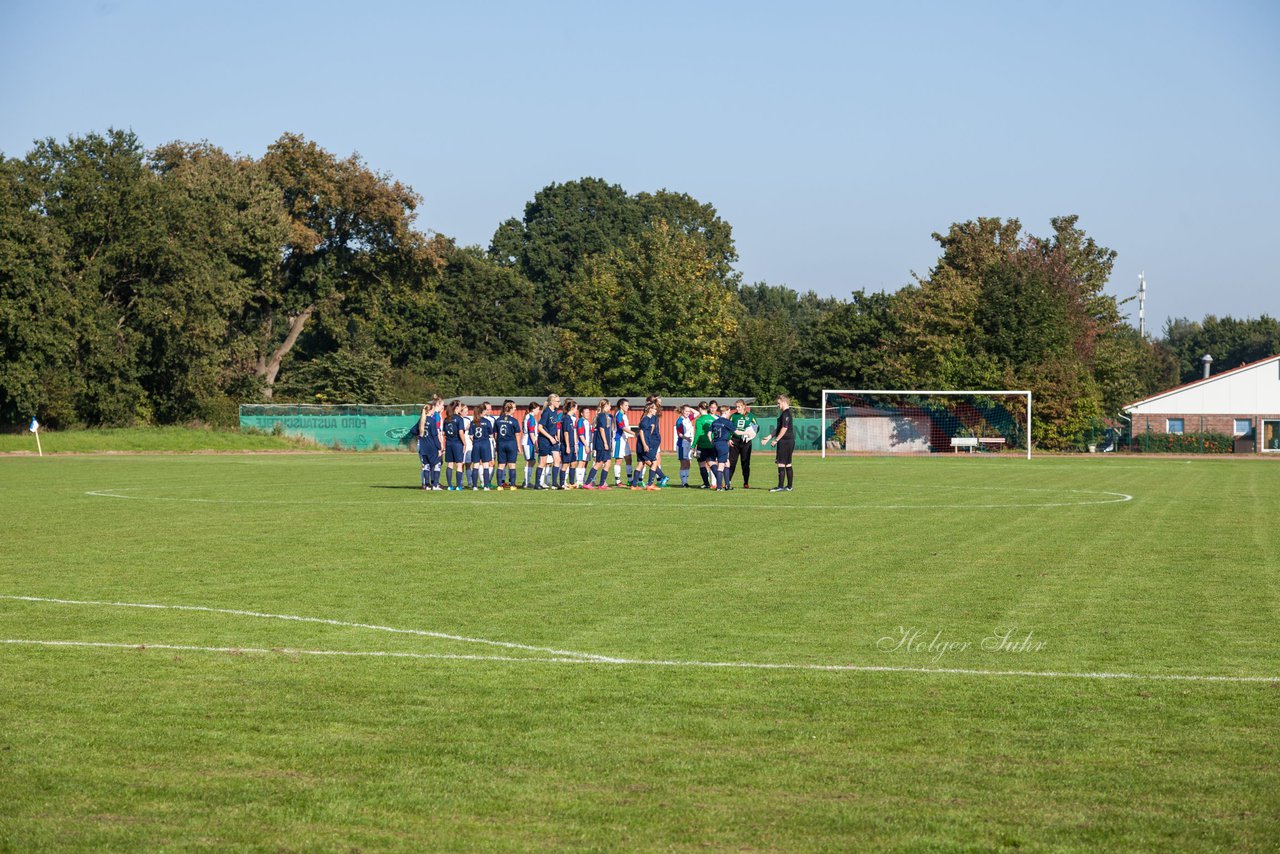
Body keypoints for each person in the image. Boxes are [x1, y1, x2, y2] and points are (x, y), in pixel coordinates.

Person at [411, 397, 444, 490]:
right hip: (431, 446)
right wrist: (439, 448)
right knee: (436, 464)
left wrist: (420, 434)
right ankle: (435, 485)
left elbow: (413, 431)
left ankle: (426, 485)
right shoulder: (432, 421)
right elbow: (434, 436)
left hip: (423, 447)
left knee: (426, 466)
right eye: (432, 409)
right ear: (430, 411)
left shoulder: (421, 420)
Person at [726, 399, 759, 489]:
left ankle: (746, 482)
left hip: (746, 442)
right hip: (735, 441)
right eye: (736, 407)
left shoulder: (751, 416)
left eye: (739, 406)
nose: (737, 408)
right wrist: (729, 439)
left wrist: (751, 434)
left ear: (744, 406)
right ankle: (728, 481)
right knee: (732, 462)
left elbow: (756, 427)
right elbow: (728, 428)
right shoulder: (733, 416)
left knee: (745, 462)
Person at [766, 394, 795, 492]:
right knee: (787, 464)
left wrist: (776, 440)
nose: (777, 405)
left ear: (784, 402)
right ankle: (789, 486)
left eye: (778, 403)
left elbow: (784, 428)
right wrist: (770, 436)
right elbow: (778, 428)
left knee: (781, 463)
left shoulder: (786, 414)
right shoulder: (784, 413)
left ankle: (780, 486)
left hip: (785, 441)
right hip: (788, 441)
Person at [536, 393, 561, 490]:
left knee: (557, 459)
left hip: (553, 439)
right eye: (557, 401)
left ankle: (554, 483)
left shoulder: (555, 411)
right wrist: (550, 437)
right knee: (543, 461)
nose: (559, 403)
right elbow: (540, 427)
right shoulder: (546, 412)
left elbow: (552, 426)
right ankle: (537, 484)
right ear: (551, 402)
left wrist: (554, 436)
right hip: (544, 439)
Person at [634, 401, 662, 490]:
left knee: (640, 464)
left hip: (645, 443)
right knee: (654, 462)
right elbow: (641, 432)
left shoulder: (650, 419)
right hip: (643, 444)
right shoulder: (645, 419)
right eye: (654, 408)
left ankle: (633, 485)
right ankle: (650, 484)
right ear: (650, 409)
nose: (655, 410)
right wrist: (645, 445)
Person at [586, 398, 613, 489]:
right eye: (609, 405)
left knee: (608, 462)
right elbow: (601, 430)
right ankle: (587, 483)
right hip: (601, 443)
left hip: (606, 443)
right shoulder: (602, 416)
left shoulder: (606, 415)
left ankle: (602, 484)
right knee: (599, 463)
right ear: (605, 406)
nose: (610, 407)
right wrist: (605, 443)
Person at [494, 400, 521, 490]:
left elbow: (495, 435)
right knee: (512, 465)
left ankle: (499, 486)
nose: (515, 409)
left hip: (501, 444)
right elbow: (517, 434)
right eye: (514, 407)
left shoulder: (498, 420)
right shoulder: (514, 421)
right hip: (511, 444)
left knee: (501, 465)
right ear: (510, 409)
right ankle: (512, 485)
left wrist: (498, 442)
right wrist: (519, 446)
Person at [708, 405, 736, 491]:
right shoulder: (727, 422)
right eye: (729, 412)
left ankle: (727, 485)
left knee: (727, 463)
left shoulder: (715, 421)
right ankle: (719, 487)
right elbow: (736, 431)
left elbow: (709, 434)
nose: (729, 414)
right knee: (721, 466)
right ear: (726, 412)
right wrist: (748, 432)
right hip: (723, 444)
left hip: (715, 443)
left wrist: (712, 442)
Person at [468, 405, 494, 490]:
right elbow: (491, 434)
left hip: (476, 445)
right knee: (486, 465)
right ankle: (486, 486)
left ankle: (475, 486)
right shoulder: (487, 421)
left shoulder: (473, 422)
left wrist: (475, 441)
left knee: (475, 465)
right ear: (482, 412)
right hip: (485, 445)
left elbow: (471, 436)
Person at [442, 401, 467, 490]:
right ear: (456, 408)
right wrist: (464, 443)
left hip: (449, 443)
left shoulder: (446, 419)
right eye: (460, 406)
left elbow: (444, 433)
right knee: (459, 464)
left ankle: (449, 486)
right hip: (457, 444)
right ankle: (459, 486)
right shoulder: (459, 419)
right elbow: (461, 432)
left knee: (450, 464)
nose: (461, 408)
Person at [612, 398, 634, 486]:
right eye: (626, 405)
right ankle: (618, 481)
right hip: (619, 440)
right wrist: (634, 433)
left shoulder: (624, 414)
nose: (628, 407)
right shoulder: (619, 415)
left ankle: (630, 480)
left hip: (624, 439)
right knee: (619, 460)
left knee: (629, 459)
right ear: (621, 406)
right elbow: (622, 427)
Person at [693, 401, 715, 488]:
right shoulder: (713, 419)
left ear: (700, 408)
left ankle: (706, 483)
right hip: (712, 444)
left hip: (701, 445)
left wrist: (693, 445)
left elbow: (698, 434)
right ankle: (719, 481)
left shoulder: (699, 420)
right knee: (712, 463)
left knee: (701, 464)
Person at [558, 400, 578, 489]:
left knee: (573, 463)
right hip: (567, 445)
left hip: (572, 445)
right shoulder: (566, 418)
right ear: (572, 408)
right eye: (576, 408)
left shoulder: (570, 418)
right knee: (565, 464)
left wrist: (575, 445)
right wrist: (568, 446)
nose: (577, 410)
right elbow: (566, 433)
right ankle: (562, 484)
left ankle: (571, 482)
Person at [674, 405, 695, 487]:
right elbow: (679, 434)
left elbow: (697, 413)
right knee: (683, 463)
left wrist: (690, 408)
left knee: (689, 463)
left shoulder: (688, 418)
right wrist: (686, 438)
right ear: (682, 411)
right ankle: (683, 482)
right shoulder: (680, 420)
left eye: (688, 411)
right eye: (686, 411)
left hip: (689, 443)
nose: (687, 413)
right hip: (682, 443)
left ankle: (686, 481)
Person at [522, 402, 540, 487]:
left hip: (527, 441)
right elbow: (531, 433)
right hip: (529, 442)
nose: (539, 411)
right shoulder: (531, 418)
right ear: (533, 409)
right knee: (530, 461)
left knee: (531, 461)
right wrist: (535, 445)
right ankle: (526, 482)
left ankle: (526, 481)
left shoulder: (528, 417)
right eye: (537, 409)